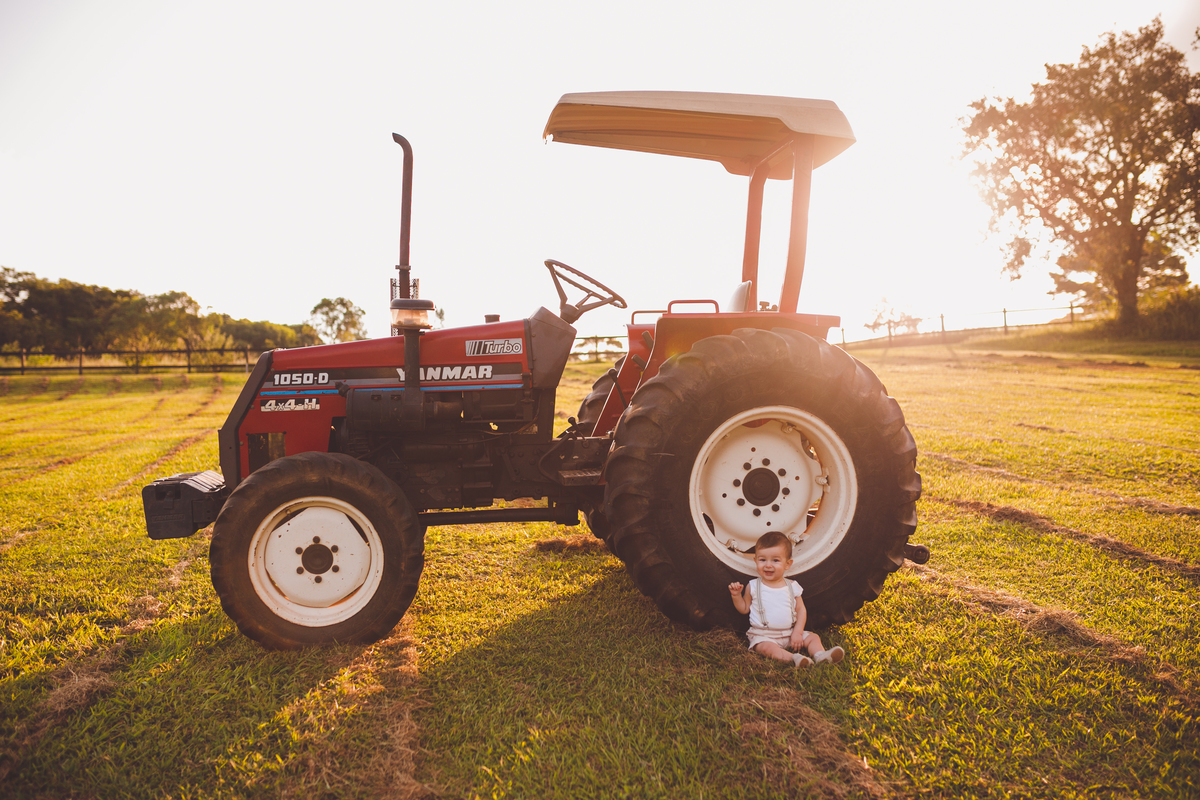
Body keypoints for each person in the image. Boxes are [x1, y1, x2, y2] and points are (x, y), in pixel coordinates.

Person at [728, 531, 845, 668]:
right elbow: (744, 609)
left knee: (813, 637)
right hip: (763, 635)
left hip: (790, 633)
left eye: (775, 560)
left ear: (787, 564)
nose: (768, 565)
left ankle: (820, 655)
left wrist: (797, 633)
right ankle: (794, 658)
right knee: (766, 648)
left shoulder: (793, 586)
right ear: (755, 561)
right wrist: (736, 595)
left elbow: (801, 610)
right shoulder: (753, 586)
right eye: (762, 560)